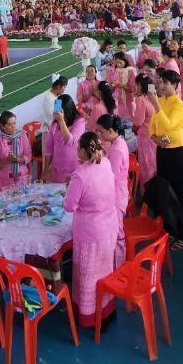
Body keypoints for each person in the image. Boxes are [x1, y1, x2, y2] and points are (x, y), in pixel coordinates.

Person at [63, 131, 121, 324]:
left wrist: (71, 186)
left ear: (82, 151)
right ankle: (106, 308)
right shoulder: (104, 163)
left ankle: (90, 316)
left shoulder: (80, 175)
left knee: (89, 274)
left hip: (90, 232)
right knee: (105, 269)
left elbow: (69, 206)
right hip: (109, 225)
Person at [146, 68, 183, 248]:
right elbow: (154, 124)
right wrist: (154, 137)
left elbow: (169, 125)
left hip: (176, 152)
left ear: (174, 85)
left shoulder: (178, 105)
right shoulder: (161, 100)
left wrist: (156, 106)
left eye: (166, 83)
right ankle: (171, 228)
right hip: (162, 150)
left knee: (179, 192)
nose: (162, 85)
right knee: (166, 191)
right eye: (161, 82)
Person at [97, 114, 130, 263]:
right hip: (119, 192)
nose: (99, 134)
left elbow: (112, 177)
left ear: (110, 131)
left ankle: (119, 264)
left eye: (101, 131)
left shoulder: (117, 149)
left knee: (117, 233)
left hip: (116, 196)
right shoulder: (117, 143)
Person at [46, 94, 86, 184]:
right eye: (55, 109)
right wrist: (45, 169)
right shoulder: (55, 123)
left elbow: (70, 140)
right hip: (57, 167)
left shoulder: (79, 122)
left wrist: (61, 121)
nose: (55, 113)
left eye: (59, 110)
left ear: (67, 110)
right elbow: (49, 147)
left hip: (73, 167)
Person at [0, 110, 31, 189]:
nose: (13, 126)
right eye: (9, 124)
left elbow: (29, 156)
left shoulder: (22, 135)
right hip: (4, 181)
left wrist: (18, 159)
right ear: (2, 126)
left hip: (21, 178)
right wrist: (7, 160)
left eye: (14, 123)